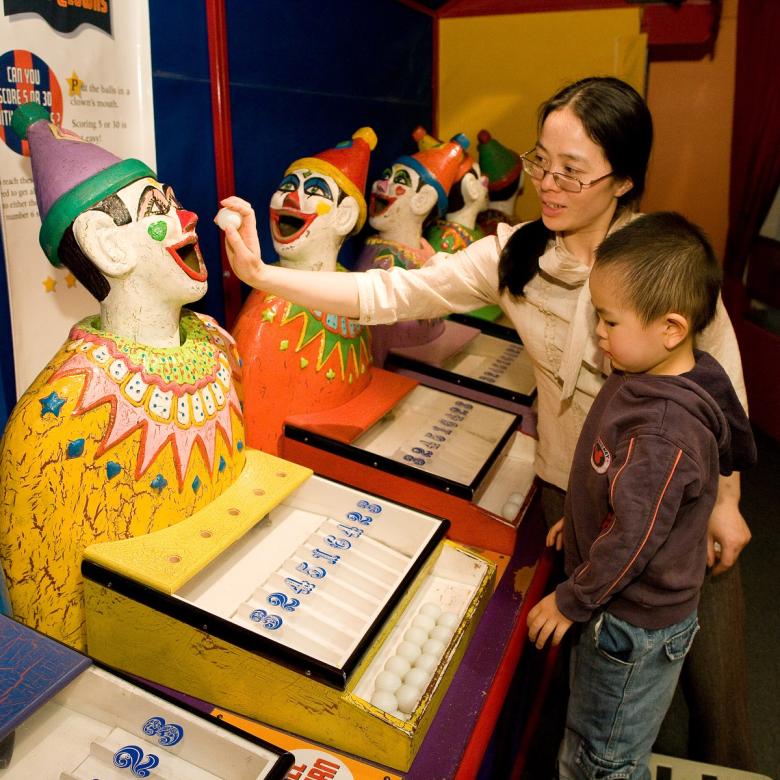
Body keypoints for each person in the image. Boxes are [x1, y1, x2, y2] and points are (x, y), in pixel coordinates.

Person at [217, 76, 755, 768]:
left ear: (621, 181)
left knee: (713, 686)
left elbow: (723, 384)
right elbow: (390, 291)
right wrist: (267, 276)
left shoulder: (662, 265)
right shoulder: (517, 252)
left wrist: (729, 499)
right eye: (540, 163)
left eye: (571, 172)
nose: (548, 185)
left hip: (680, 500)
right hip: (575, 490)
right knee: (598, 689)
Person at [0, 104, 257, 651]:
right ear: (106, 245)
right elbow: (50, 619)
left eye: (175, 201)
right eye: (156, 208)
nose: (187, 218)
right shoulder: (56, 419)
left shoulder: (216, 344)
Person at [526, 211, 756, 778]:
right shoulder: (654, 370)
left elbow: (634, 535)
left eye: (607, 321)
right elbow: (616, 487)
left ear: (671, 328)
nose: (598, 334)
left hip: (629, 624)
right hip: (622, 604)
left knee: (601, 754)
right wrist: (579, 524)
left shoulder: (662, 430)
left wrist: (571, 599)